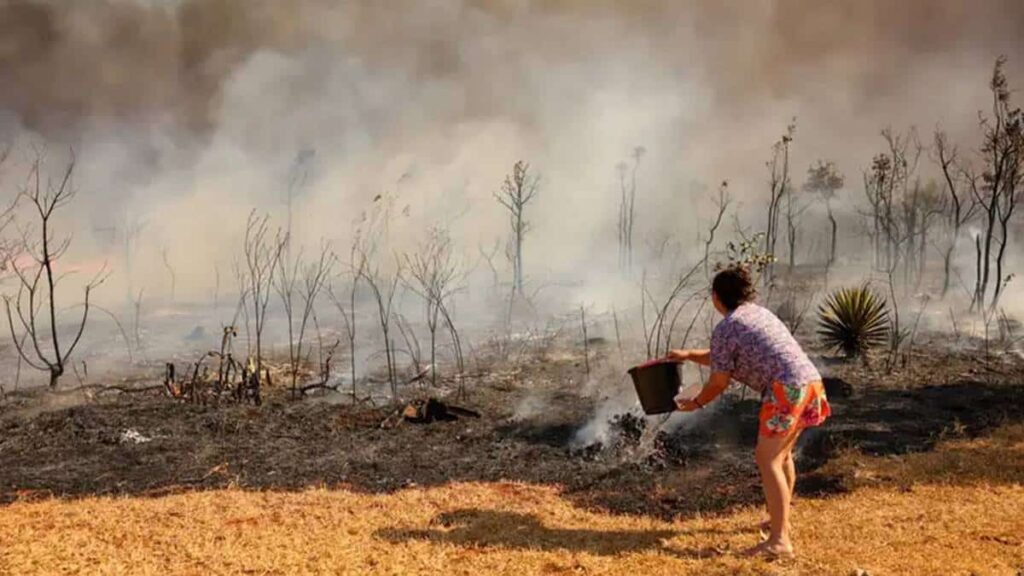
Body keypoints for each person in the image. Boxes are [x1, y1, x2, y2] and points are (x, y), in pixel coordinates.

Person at [669, 265, 830, 558]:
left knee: (766, 457)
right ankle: (778, 520)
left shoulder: (727, 326)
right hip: (810, 383)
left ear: (716, 297)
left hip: (786, 390)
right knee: (781, 456)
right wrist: (689, 355)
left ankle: (779, 541)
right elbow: (724, 357)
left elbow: (719, 380)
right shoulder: (758, 314)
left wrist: (696, 403)